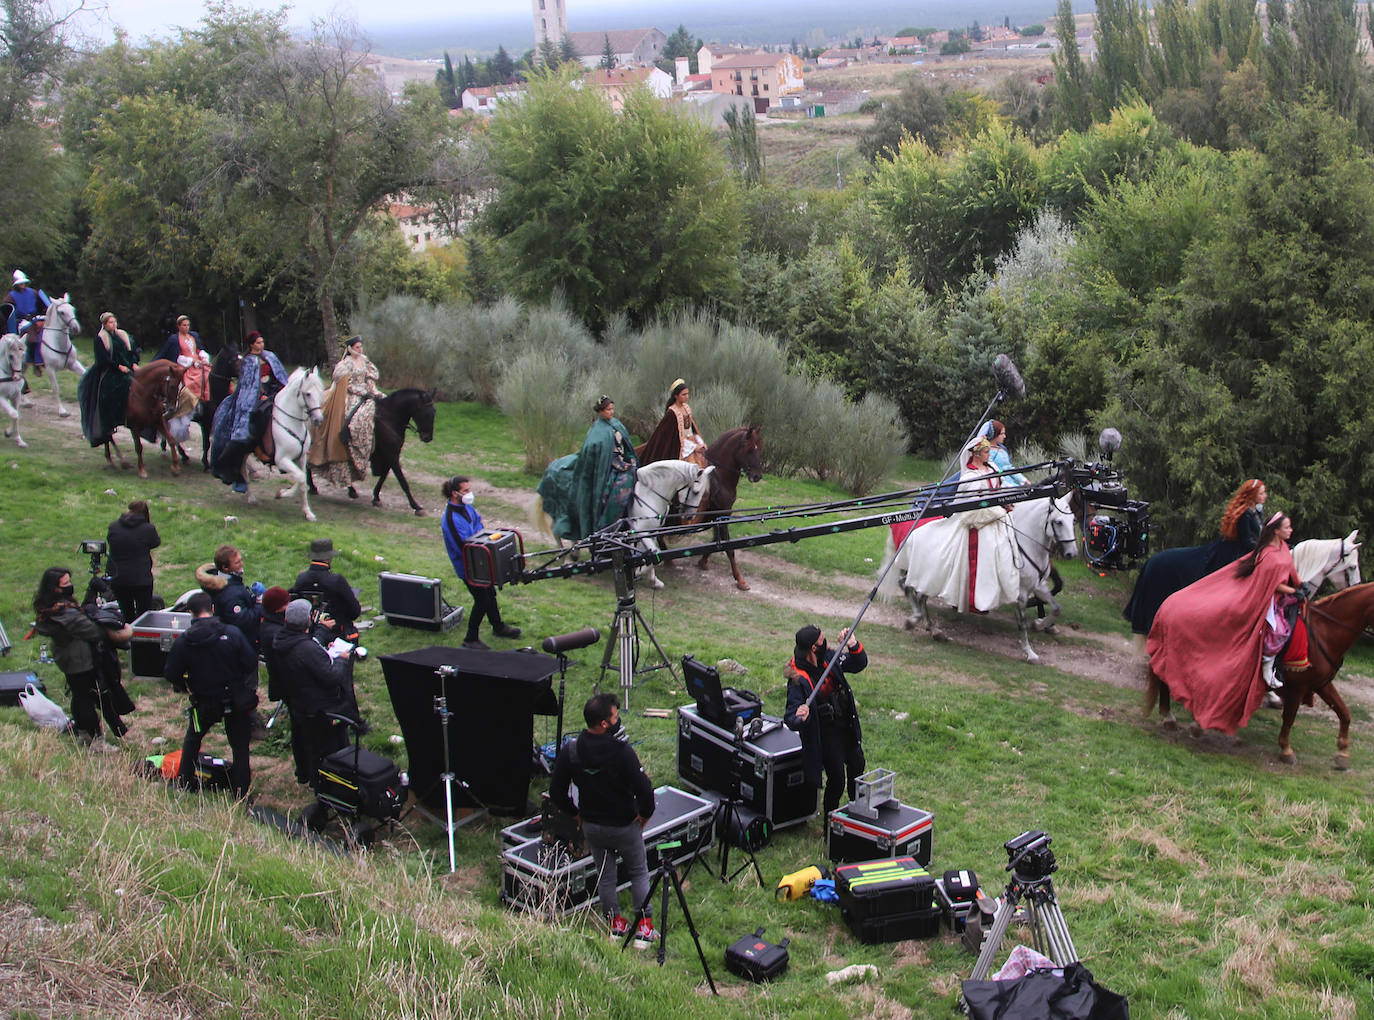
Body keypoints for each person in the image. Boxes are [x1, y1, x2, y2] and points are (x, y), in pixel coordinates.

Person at [1147, 511, 1301, 734]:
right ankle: (1269, 667)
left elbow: (1291, 573)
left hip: (1278, 598)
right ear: (1276, 530)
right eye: (1287, 527)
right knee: (1277, 632)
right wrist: (1295, 590)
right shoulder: (1268, 555)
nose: (1291, 530)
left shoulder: (1283, 549)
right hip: (1262, 601)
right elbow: (1271, 583)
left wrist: (1299, 586)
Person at [548, 693, 658, 944]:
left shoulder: (571, 750)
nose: (619, 720)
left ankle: (615, 926)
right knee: (639, 873)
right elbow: (645, 789)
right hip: (625, 827)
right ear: (605, 724)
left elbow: (556, 792)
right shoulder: (622, 752)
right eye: (616, 717)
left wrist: (575, 813)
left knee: (605, 876)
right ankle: (644, 927)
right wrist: (644, 815)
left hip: (593, 828)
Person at [1123, 478, 1268, 637]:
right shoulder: (1245, 514)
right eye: (1262, 493)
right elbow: (1247, 541)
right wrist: (1265, 548)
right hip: (1234, 552)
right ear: (1253, 495)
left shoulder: (1257, 512)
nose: (1265, 496)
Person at [897, 436, 1021, 614]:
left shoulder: (992, 468)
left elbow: (997, 490)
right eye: (986, 452)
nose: (989, 455)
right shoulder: (970, 477)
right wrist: (998, 511)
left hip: (997, 521)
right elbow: (969, 512)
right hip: (976, 526)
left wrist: (1005, 502)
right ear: (977, 454)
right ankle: (975, 597)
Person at [163, 591, 259, 798]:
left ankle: (185, 782)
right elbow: (250, 662)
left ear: (190, 613)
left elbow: (171, 673)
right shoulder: (232, 634)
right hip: (235, 700)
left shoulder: (184, 641)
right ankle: (241, 792)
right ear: (212, 608)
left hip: (203, 701)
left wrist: (186, 685)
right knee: (240, 746)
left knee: (193, 739)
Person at [32, 567, 134, 751]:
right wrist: (115, 627)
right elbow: (92, 630)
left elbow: (81, 616)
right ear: (55, 588)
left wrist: (90, 593)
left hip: (67, 658)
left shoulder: (52, 607)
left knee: (79, 695)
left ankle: (83, 732)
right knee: (87, 698)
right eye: (65, 584)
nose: (70, 586)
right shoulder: (66, 614)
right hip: (79, 660)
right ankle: (95, 740)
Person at [783, 623, 868, 817]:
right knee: (837, 780)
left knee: (857, 765)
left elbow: (859, 663)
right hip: (826, 734)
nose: (825, 642)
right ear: (813, 647)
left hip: (846, 724)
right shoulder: (798, 678)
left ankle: (858, 814)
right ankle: (831, 824)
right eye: (822, 640)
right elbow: (790, 717)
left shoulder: (829, 658)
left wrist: (853, 645)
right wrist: (800, 716)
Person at [272, 598, 361, 784]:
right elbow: (332, 676)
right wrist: (341, 659)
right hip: (319, 708)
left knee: (309, 746)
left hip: (299, 703)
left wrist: (320, 636)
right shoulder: (307, 650)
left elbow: (307, 646)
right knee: (327, 749)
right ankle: (329, 785)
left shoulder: (280, 640)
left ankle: (310, 777)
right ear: (309, 619)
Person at [441, 475, 521, 651]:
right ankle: (470, 638)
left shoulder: (467, 508)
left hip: (480, 562)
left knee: (490, 594)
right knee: (482, 600)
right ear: (455, 494)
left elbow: (479, 524)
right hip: (468, 566)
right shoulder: (451, 519)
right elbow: (465, 544)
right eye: (465, 491)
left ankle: (498, 627)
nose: (470, 494)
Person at [210, 331, 287, 492]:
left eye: (262, 342)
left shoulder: (270, 357)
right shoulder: (248, 362)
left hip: (273, 393)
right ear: (251, 345)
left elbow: (279, 378)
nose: (261, 345)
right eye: (258, 343)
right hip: (256, 399)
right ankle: (258, 448)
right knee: (257, 420)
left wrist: (280, 392)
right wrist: (261, 396)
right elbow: (248, 386)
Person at [310, 334, 382, 497]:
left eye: (360, 346)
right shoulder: (345, 364)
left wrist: (373, 391)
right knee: (358, 419)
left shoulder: (364, 360)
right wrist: (361, 392)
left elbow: (370, 378)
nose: (360, 349)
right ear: (349, 349)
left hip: (367, 393)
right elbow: (346, 384)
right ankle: (355, 446)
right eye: (357, 347)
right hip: (352, 396)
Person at [570, 395, 638, 539]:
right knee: (617, 487)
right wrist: (620, 465)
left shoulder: (617, 424)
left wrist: (630, 459)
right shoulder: (597, 431)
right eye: (608, 410)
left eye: (612, 409)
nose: (611, 412)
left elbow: (627, 447)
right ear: (601, 411)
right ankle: (608, 527)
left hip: (622, 462)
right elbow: (594, 455)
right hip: (609, 468)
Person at [78, 312, 138, 447]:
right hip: (110, 371)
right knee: (117, 388)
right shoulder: (101, 338)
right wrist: (118, 366)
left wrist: (133, 362)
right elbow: (103, 359)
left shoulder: (122, 336)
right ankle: (114, 417)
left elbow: (131, 352)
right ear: (105, 324)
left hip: (127, 368)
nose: (114, 325)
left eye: (114, 322)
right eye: (110, 323)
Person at [293, 538, 363, 639]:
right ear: (329, 557)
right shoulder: (337, 580)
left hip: (309, 633)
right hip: (336, 634)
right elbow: (355, 612)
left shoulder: (301, 579)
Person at [106, 499, 161, 624]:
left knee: (126, 612)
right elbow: (155, 542)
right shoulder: (148, 529)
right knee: (144, 615)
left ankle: (127, 638)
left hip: (118, 577)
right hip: (141, 579)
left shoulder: (114, 526)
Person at [638, 379, 707, 467]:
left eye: (687, 394)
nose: (687, 397)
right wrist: (693, 447)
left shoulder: (687, 408)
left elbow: (691, 428)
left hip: (692, 443)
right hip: (682, 449)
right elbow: (671, 438)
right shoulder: (672, 413)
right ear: (676, 396)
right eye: (684, 394)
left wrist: (699, 442)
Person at [154, 315, 211, 405]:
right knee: (194, 379)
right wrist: (192, 361)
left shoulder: (193, 336)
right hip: (185, 364)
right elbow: (176, 355)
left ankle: (206, 399)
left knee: (209, 374)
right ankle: (189, 401)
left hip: (198, 363)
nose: (186, 327)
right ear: (179, 326)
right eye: (184, 325)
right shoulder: (175, 339)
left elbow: (199, 350)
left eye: (188, 325)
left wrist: (203, 358)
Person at [6, 270, 50, 372]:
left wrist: (43, 316)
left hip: (36, 319)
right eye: (20, 283)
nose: (22, 285)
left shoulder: (33, 293)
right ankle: (34, 361)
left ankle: (44, 359)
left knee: (47, 334)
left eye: (23, 283)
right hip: (22, 322)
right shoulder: (11, 296)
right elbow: (8, 310)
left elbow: (43, 306)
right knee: (33, 339)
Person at [980, 420, 1027, 487]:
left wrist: (1023, 480)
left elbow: (1009, 468)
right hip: (999, 486)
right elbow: (994, 472)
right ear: (995, 435)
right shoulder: (987, 452)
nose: (1004, 436)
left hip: (1012, 484)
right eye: (1001, 434)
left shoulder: (1002, 450)